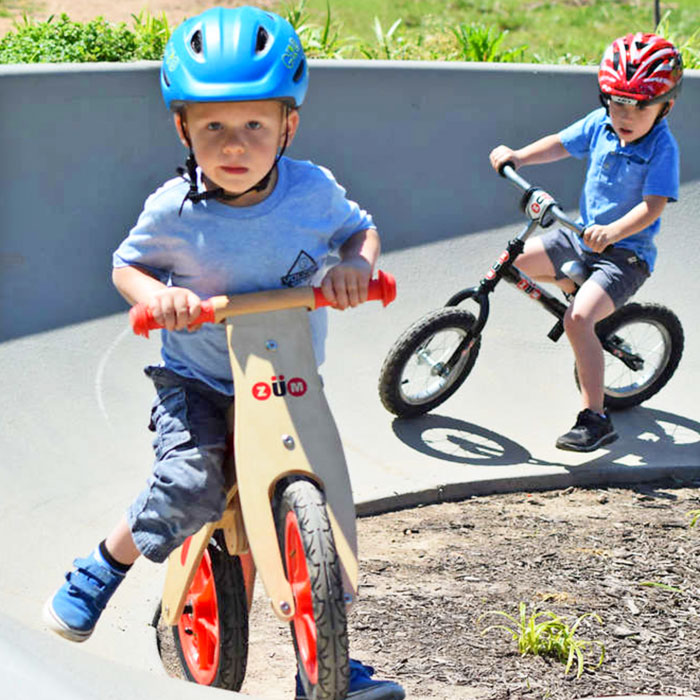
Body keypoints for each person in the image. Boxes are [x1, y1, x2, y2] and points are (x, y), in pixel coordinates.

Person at [43, 7, 404, 699]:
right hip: (200, 381)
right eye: (213, 126)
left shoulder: (313, 190)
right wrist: (159, 297)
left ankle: (323, 669)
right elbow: (127, 266)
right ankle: (98, 570)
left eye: (254, 126)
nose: (234, 144)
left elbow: (360, 233)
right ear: (183, 128)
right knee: (187, 486)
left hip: (286, 374)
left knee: (317, 509)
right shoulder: (173, 209)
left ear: (288, 126)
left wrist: (355, 268)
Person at [489, 32, 682, 452]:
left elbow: (652, 207)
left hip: (625, 257)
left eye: (639, 105)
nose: (624, 114)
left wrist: (614, 233)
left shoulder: (662, 148)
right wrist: (518, 156)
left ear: (665, 106)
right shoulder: (600, 125)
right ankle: (580, 297)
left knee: (577, 321)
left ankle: (595, 417)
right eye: (616, 101)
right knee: (515, 264)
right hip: (579, 238)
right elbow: (560, 144)